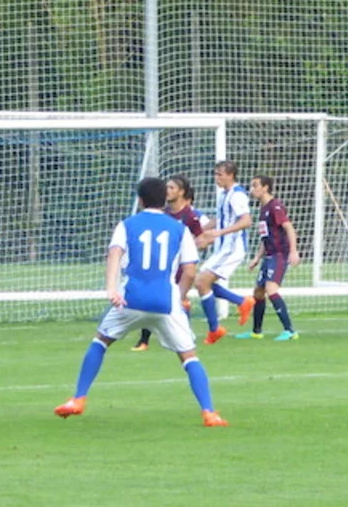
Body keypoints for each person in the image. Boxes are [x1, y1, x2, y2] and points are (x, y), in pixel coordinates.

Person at [53, 177, 227, 427]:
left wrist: (111, 289)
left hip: (130, 300)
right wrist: (178, 297)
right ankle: (209, 413)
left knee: (101, 341)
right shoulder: (179, 229)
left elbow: (114, 254)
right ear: (164, 200)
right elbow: (190, 271)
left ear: (141, 200)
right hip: (165, 303)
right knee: (189, 357)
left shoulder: (127, 224)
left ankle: (78, 398)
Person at [133, 175, 201, 351]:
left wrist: (188, 249)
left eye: (172, 188)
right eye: (167, 187)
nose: (167, 191)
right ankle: (144, 340)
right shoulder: (164, 215)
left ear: (181, 192)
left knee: (180, 299)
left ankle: (184, 336)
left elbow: (201, 238)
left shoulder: (189, 216)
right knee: (155, 295)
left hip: (181, 265)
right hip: (163, 263)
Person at [194, 161, 255, 344]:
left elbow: (246, 221)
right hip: (222, 248)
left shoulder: (237, 195)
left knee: (201, 282)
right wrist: (199, 232)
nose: (216, 178)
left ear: (230, 175)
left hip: (232, 248)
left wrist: (219, 233)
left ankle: (215, 329)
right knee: (201, 283)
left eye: (219, 174)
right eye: (215, 174)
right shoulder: (224, 195)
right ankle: (241, 302)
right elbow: (220, 218)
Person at [237, 175, 301, 341]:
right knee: (258, 292)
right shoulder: (263, 208)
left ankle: (290, 331)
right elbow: (266, 237)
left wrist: (293, 251)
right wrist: (257, 257)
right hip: (269, 255)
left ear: (265, 188)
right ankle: (256, 332)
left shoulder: (275, 206)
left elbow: (289, 228)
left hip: (279, 254)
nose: (252, 189)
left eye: (255, 185)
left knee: (271, 288)